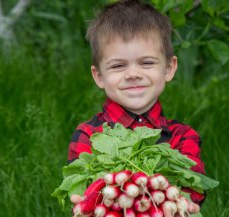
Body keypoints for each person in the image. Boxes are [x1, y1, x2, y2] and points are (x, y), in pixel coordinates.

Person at [68, 0, 206, 207]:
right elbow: (81, 196)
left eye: (146, 62)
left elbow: (193, 190)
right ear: (99, 76)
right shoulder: (88, 135)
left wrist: (181, 202)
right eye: (118, 66)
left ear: (169, 68)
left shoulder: (182, 137)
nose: (133, 74)